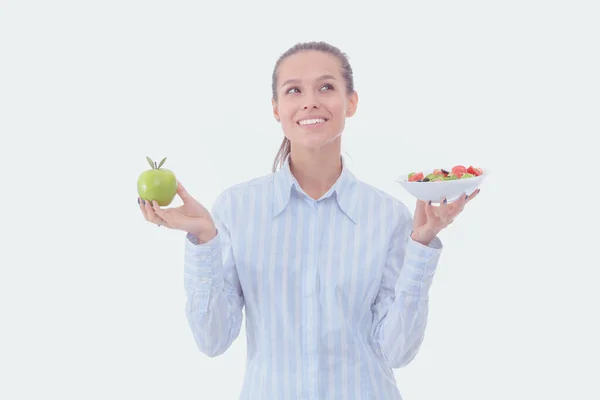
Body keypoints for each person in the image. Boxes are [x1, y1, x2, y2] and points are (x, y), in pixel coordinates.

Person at [138, 41, 479, 400]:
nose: (310, 101)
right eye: (294, 90)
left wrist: (421, 247)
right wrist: (204, 242)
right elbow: (212, 340)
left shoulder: (388, 216)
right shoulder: (236, 209)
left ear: (352, 102)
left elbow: (398, 351)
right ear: (276, 109)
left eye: (327, 87)